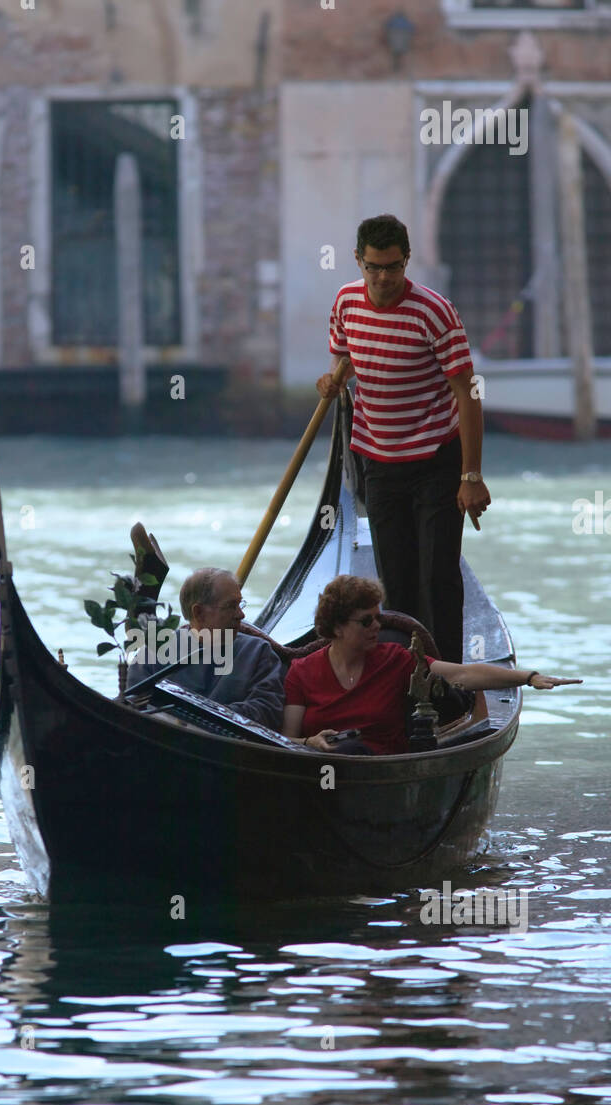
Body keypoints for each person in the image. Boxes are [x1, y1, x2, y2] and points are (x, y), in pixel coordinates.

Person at [316, 213, 491, 664]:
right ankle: (407, 675)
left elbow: (468, 393)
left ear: (407, 261)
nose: (383, 278)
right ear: (358, 261)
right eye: (373, 267)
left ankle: (448, 675)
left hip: (437, 458)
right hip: (378, 460)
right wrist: (332, 381)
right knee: (395, 580)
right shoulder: (345, 302)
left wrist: (471, 476)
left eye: (393, 267)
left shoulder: (435, 312)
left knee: (438, 577)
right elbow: (346, 359)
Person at [282, 576, 581, 755]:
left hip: (385, 776)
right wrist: (310, 742)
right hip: (322, 773)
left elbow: (463, 673)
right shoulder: (302, 672)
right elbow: (285, 740)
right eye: (366, 620)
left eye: (379, 618)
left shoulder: (396, 660)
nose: (377, 626)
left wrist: (528, 677)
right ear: (337, 627)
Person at [126, 567, 285, 730]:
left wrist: (193, 716)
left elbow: (267, 714)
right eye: (231, 606)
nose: (241, 615)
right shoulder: (155, 650)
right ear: (199, 613)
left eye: (240, 604)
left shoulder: (258, 652)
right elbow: (131, 707)